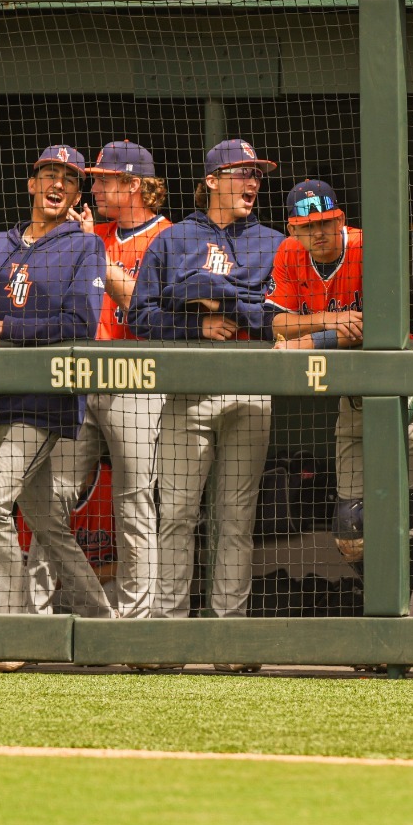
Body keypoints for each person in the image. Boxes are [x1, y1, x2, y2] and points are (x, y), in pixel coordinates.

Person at [0, 146, 110, 618]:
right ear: (31, 183)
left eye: (69, 180)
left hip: (45, 398)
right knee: (47, 524)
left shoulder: (85, 245)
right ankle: (103, 621)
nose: (57, 185)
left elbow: (77, 324)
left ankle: (13, 627)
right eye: (49, 175)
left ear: (77, 194)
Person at [128, 139, 284, 620]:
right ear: (212, 180)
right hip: (187, 389)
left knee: (236, 520)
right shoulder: (174, 239)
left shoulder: (275, 243)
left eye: (257, 175)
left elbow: (279, 316)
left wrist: (220, 298)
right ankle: (170, 626)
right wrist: (195, 323)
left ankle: (227, 630)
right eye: (242, 173)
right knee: (175, 515)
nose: (252, 183)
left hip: (250, 387)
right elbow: (139, 315)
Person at [268, 177, 413, 568]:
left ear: (341, 220)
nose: (318, 233)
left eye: (325, 223)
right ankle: (387, 612)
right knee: (351, 532)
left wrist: (307, 341)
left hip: (407, 392)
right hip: (354, 401)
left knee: (409, 519)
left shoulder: (370, 247)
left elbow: (372, 327)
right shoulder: (288, 254)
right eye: (307, 227)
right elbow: (276, 323)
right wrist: (331, 320)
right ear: (292, 229)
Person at [47, 140, 170, 617]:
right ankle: (46, 612)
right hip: (81, 382)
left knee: (135, 506)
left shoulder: (171, 237)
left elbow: (150, 313)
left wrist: (92, 247)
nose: (93, 187)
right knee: (51, 500)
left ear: (133, 184)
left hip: (137, 382)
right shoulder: (87, 233)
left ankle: (135, 624)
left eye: (102, 179)